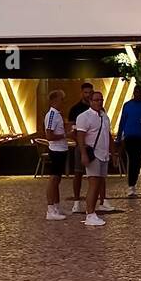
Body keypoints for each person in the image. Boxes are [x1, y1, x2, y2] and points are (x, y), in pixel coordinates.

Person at [74, 89, 113, 225]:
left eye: (101, 100)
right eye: (96, 100)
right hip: (93, 154)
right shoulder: (84, 117)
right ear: (90, 101)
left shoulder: (104, 116)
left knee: (99, 184)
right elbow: (80, 137)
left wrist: (112, 152)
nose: (99, 102)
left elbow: (107, 135)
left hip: (103, 154)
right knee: (93, 183)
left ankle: (93, 210)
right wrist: (84, 154)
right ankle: (90, 213)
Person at [118, 84, 141, 197]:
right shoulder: (128, 105)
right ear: (134, 92)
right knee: (132, 159)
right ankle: (131, 185)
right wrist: (119, 136)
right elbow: (123, 121)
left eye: (139, 92)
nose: (137, 94)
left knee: (137, 160)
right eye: (136, 92)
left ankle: (133, 182)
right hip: (130, 136)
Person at [67, 82, 94, 214]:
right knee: (78, 173)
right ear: (81, 93)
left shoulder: (97, 108)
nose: (88, 95)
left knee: (97, 175)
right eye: (86, 92)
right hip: (81, 146)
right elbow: (71, 130)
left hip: (95, 147)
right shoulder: (75, 109)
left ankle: (101, 201)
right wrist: (80, 142)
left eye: (90, 92)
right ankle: (76, 202)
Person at [43, 89, 70, 220]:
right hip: (56, 151)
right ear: (54, 100)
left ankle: (57, 206)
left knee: (57, 180)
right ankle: (50, 209)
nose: (63, 102)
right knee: (53, 179)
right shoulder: (52, 115)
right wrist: (65, 135)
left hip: (62, 149)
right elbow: (49, 135)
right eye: (61, 99)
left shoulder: (58, 114)